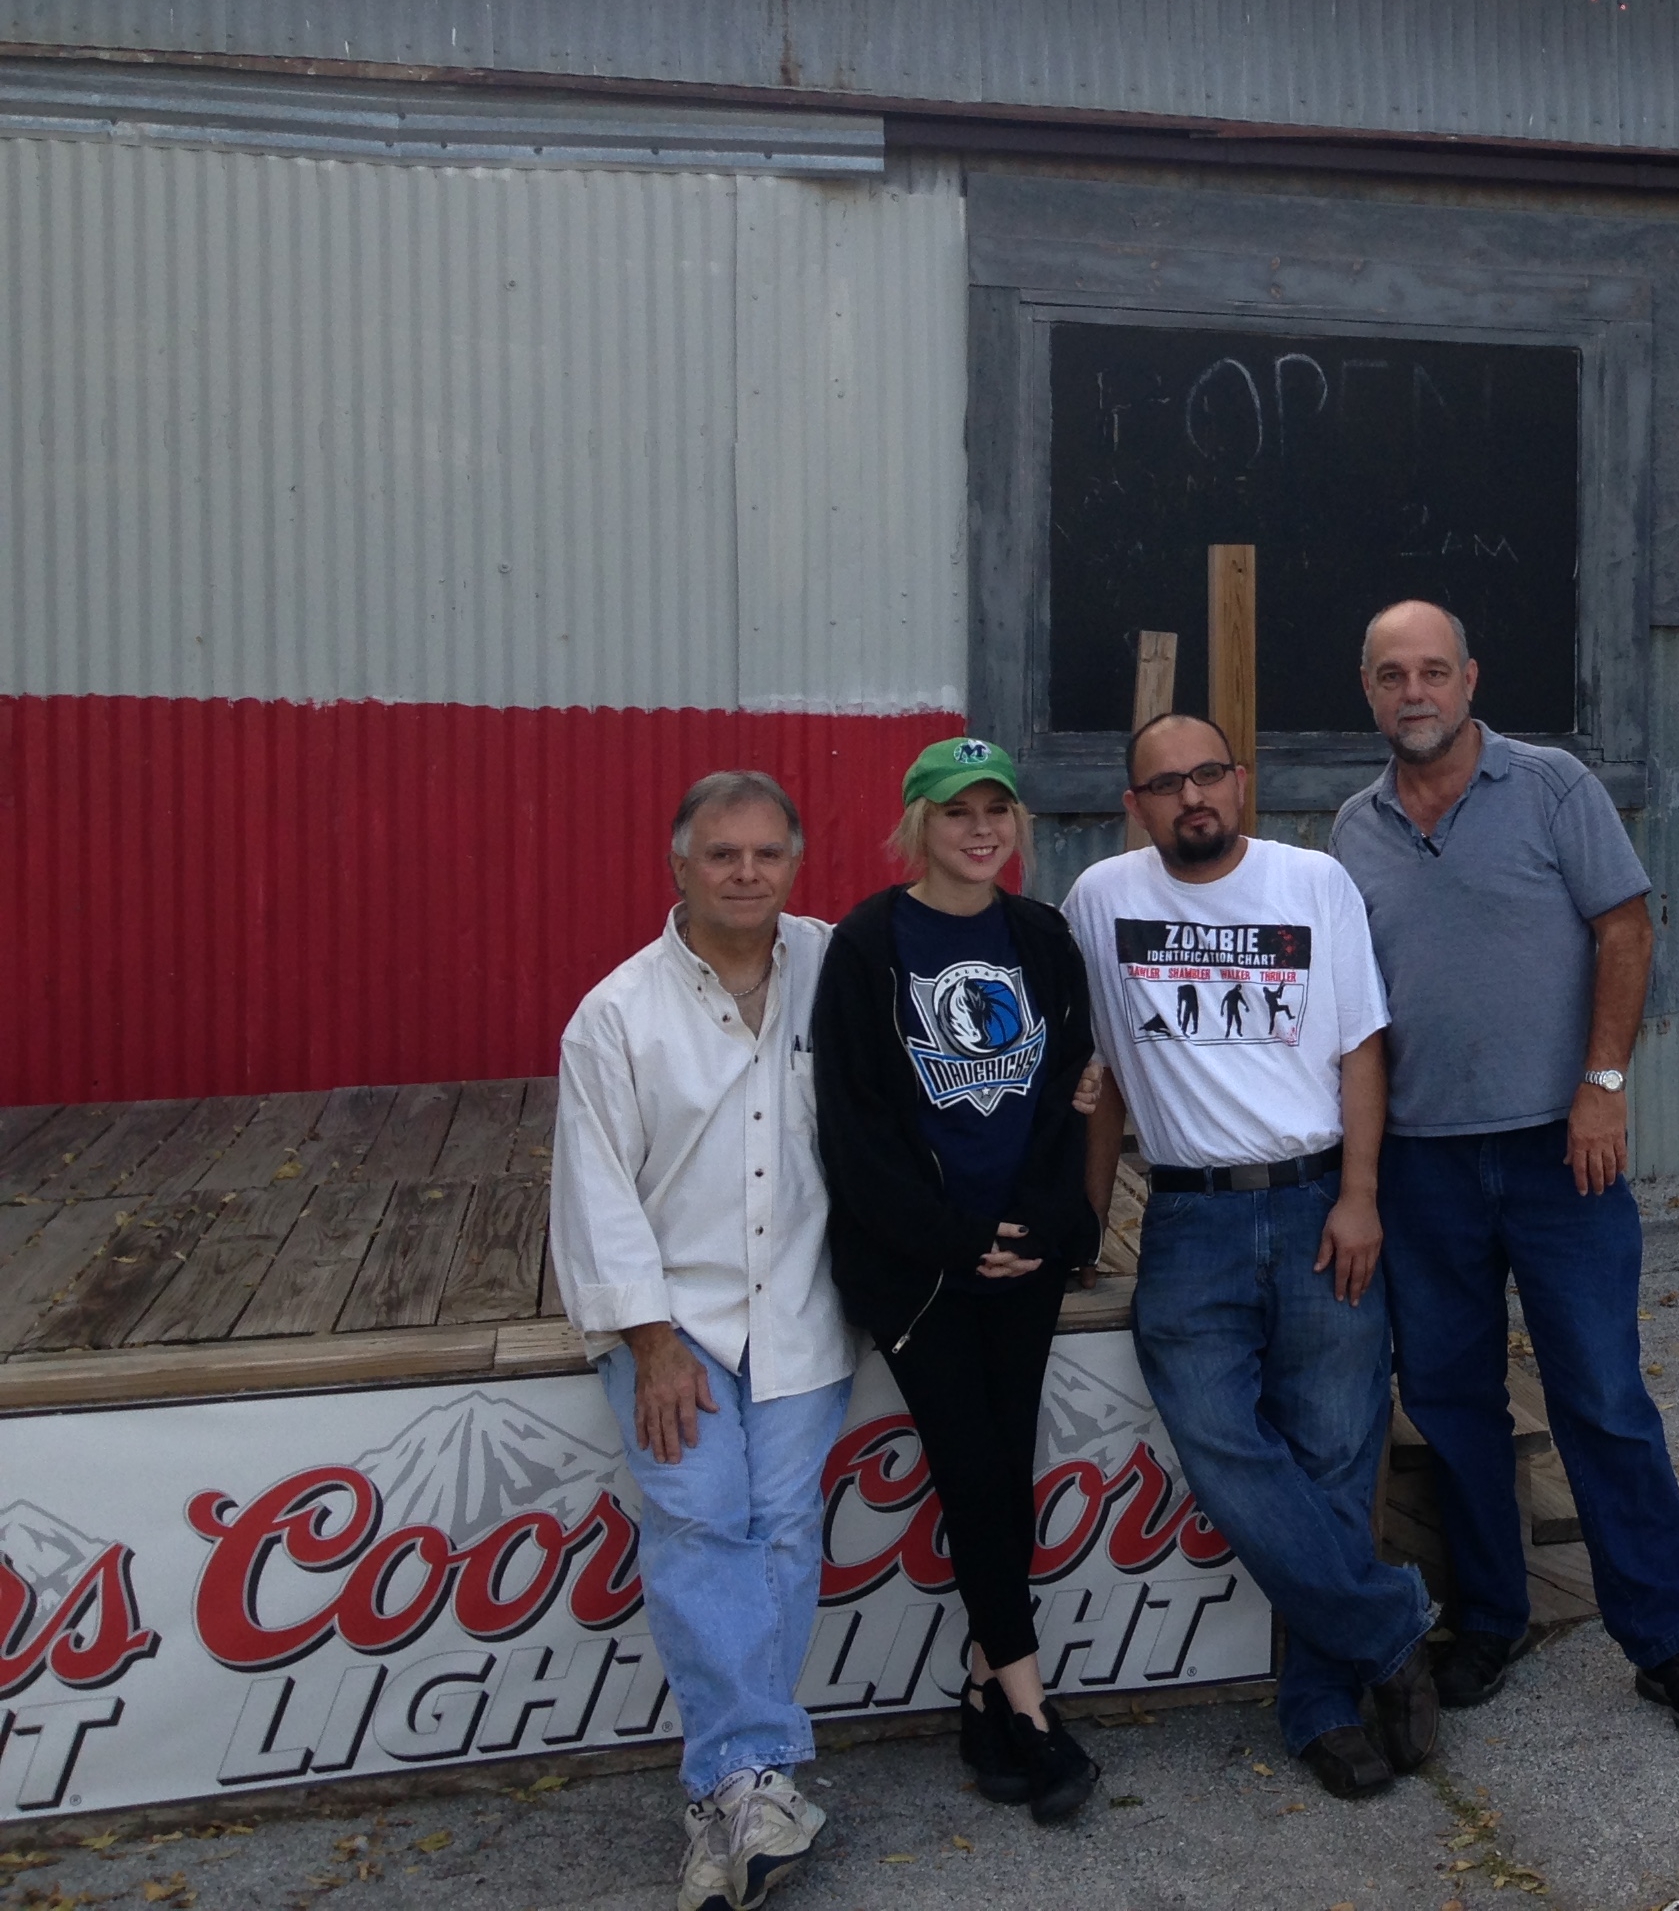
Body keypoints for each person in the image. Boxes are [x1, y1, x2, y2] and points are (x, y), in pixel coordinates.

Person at [1333, 602, 1679, 1738]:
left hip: (1560, 1150)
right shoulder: (1351, 833)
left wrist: (1602, 1085)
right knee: (1454, 1403)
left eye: (1433, 671)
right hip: (1422, 1166)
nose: (1413, 692)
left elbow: (1626, 926)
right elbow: (1351, 1016)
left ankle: (1667, 1642)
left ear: (1470, 679)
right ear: (1369, 693)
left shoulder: (1554, 787)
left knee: (1602, 1398)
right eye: (1390, 675)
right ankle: (1492, 1616)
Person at [1060, 712, 1440, 1800]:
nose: (1194, 798)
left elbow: (1362, 1046)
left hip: (1320, 1198)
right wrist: (1088, 1218)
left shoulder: (1311, 882)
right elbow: (1101, 1076)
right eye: (1165, 784)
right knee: (1224, 1448)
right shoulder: (1101, 901)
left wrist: (1362, 1197)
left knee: (1333, 1456)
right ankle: (1393, 1629)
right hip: (1188, 1221)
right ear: (1135, 805)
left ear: (1242, 781)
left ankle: (1321, 1708)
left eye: (1209, 775)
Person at [550, 771, 851, 1911]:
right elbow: (595, 1193)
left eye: (766, 853)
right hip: (672, 1323)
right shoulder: (617, 1014)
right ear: (679, 865)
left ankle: (736, 1796)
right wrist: (653, 1342)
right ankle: (747, 1778)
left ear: (795, 862)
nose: (745, 873)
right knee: (694, 1518)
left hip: (802, 1307)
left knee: (778, 1527)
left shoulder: (837, 967)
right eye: (722, 854)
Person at [812, 736, 1113, 1824]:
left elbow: (1060, 1094)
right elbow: (855, 1126)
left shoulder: (1040, 936)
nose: (980, 828)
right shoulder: (870, 943)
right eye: (956, 811)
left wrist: (1036, 1224)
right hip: (922, 1269)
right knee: (974, 1471)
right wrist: (950, 1237)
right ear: (916, 825)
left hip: (1022, 1255)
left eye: (998, 809)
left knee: (1006, 1464)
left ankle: (983, 1691)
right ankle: (1032, 1712)